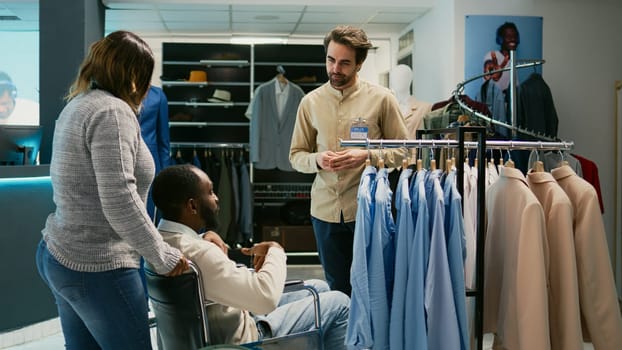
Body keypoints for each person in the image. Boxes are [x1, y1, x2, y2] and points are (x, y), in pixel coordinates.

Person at [35, 30, 189, 350]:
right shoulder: (113, 112)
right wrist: (163, 256)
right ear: (134, 75)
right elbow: (120, 199)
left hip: (62, 253)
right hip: (99, 265)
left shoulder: (79, 104)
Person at [151, 164, 350, 349]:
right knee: (339, 302)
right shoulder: (200, 252)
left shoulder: (160, 245)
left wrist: (202, 237)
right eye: (210, 192)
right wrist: (276, 250)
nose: (217, 198)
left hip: (219, 327)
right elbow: (264, 298)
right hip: (243, 339)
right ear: (192, 206)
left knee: (318, 288)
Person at [289, 25, 409, 296]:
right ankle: (344, 339)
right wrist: (318, 159)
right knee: (338, 289)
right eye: (331, 60)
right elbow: (296, 156)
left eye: (344, 63)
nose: (335, 69)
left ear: (359, 64)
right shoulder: (310, 103)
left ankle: (374, 339)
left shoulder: (382, 99)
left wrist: (366, 156)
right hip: (325, 211)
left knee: (375, 288)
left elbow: (405, 151)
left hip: (368, 209)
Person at [389, 64, 432, 139]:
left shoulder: (425, 108)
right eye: (395, 77)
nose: (399, 80)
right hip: (391, 150)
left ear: (410, 79)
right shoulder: (385, 108)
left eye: (403, 77)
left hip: (414, 150)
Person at [483, 21, 520, 93]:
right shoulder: (492, 55)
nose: (513, 39)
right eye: (508, 36)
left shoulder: (512, 60)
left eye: (515, 36)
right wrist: (492, 70)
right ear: (500, 39)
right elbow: (489, 64)